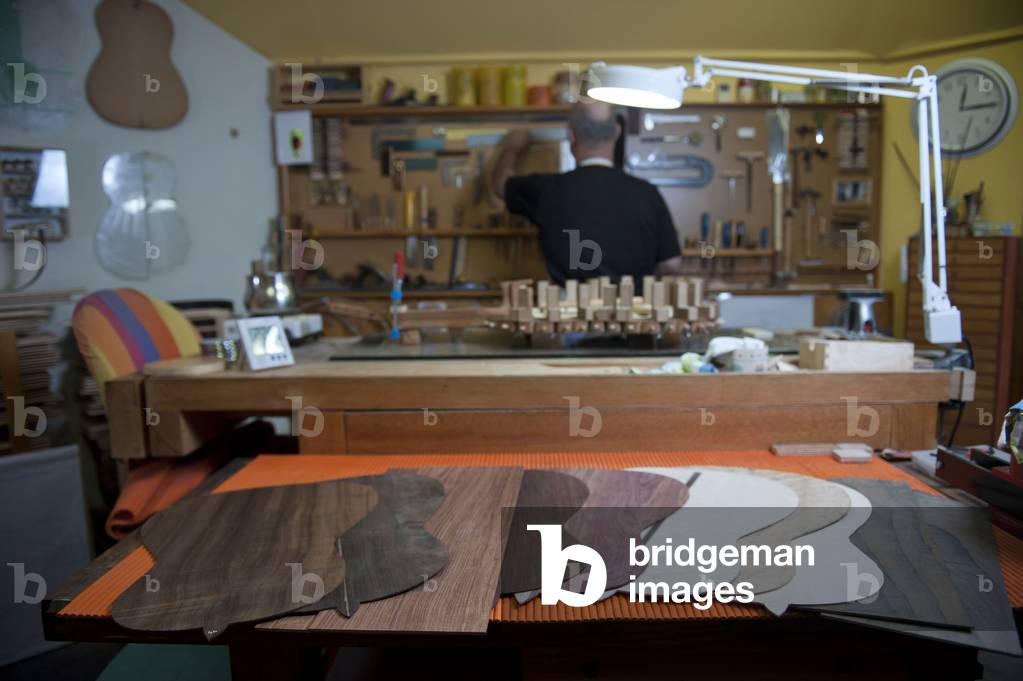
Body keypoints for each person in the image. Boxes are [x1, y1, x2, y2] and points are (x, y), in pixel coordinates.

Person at [491, 100, 682, 284]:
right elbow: (671, 264)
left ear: (571, 137)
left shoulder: (546, 190)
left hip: (567, 305)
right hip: (634, 305)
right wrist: (638, 282)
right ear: (617, 132)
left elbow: (501, 186)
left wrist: (512, 149)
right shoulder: (648, 194)